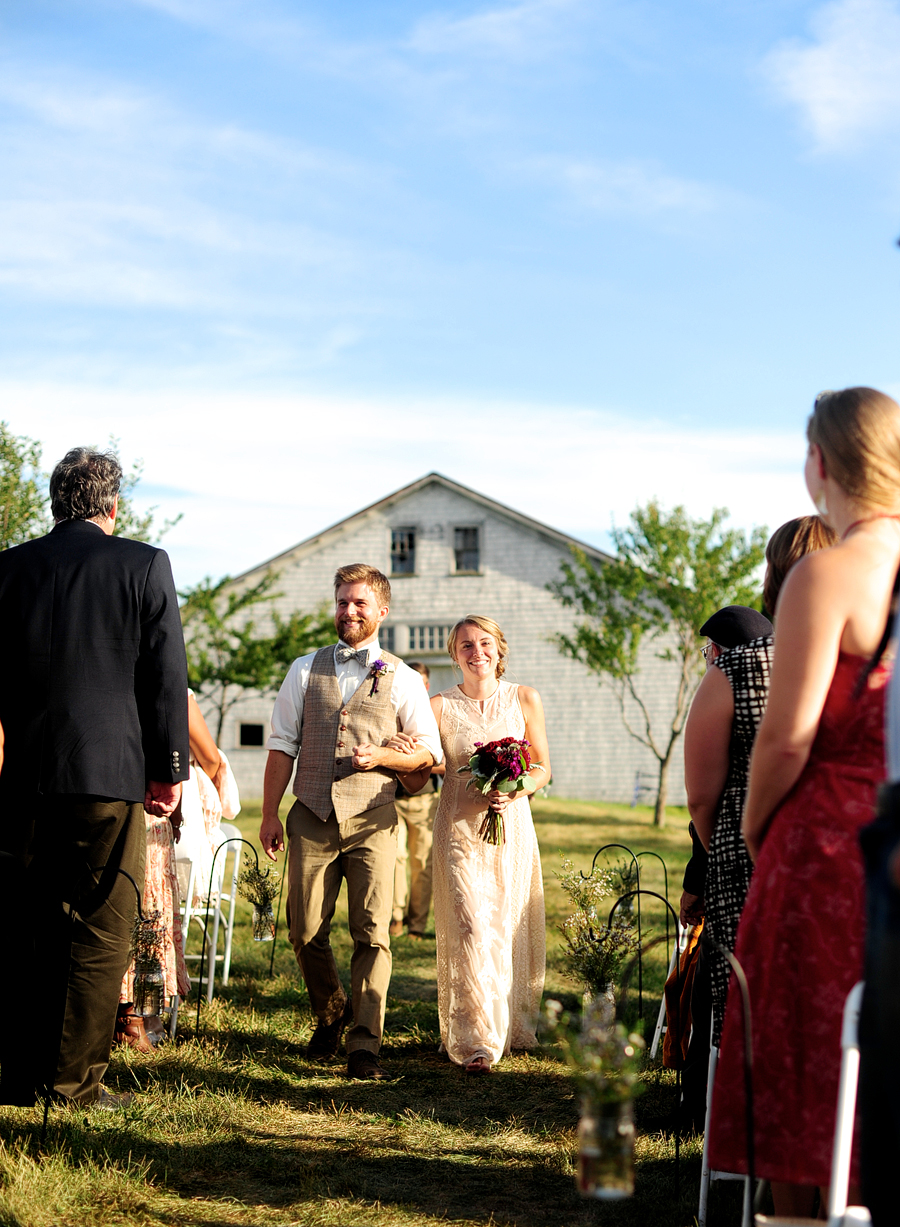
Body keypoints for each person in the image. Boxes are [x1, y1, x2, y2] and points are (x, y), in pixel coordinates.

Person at [708, 388, 900, 1217]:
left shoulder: (829, 571)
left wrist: (756, 831)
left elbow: (785, 740)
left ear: (821, 463)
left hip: (825, 852)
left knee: (803, 1070)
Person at [0, 447, 189, 1107]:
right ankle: (71, 1082)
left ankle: (19, 1072)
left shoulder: (9, 567)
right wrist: (169, 769)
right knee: (100, 927)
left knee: (25, 923)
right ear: (114, 506)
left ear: (56, 502)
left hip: (21, 776)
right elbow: (166, 676)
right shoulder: (144, 563)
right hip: (109, 774)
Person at [259, 563, 442, 1081]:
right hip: (311, 815)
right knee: (303, 929)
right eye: (342, 601)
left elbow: (427, 754)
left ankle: (365, 1045)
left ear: (382, 610)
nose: (349, 611)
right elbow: (280, 746)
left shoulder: (403, 677)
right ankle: (332, 1011)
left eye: (360, 603)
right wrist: (270, 813)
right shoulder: (303, 669)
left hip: (373, 819)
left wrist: (385, 755)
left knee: (372, 933)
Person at [399, 615, 550, 1075]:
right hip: (458, 832)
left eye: (485, 643)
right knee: (470, 927)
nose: (476, 651)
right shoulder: (438, 705)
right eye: (466, 644)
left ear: (499, 650)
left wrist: (515, 787)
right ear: (454, 653)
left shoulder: (524, 698)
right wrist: (406, 753)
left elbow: (543, 767)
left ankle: (506, 1026)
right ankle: (476, 1042)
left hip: (511, 829)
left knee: (502, 928)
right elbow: (422, 766)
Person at [391, 662, 442, 940]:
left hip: (424, 802)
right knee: (396, 859)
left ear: (427, 685)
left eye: (420, 682)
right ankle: (396, 917)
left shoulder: (433, 714)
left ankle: (418, 926)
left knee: (422, 863)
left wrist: (413, 762)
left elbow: (447, 762)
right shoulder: (392, 709)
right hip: (391, 800)